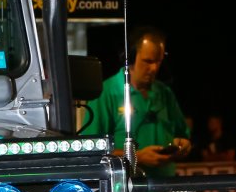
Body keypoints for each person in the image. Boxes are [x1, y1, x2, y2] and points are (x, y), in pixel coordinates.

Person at [80, 26, 191, 177]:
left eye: (158, 61)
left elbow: (183, 134)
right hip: (126, 190)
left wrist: (183, 145)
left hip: (164, 189)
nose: (154, 68)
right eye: (148, 61)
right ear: (131, 57)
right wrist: (137, 156)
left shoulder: (165, 93)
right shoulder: (106, 93)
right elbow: (90, 150)